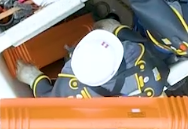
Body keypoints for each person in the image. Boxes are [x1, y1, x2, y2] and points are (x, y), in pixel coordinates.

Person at [14, 20, 173, 98]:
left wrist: (32, 77)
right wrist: (113, 27)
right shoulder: (138, 54)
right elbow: (139, 42)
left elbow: (47, 100)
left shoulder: (70, 85)